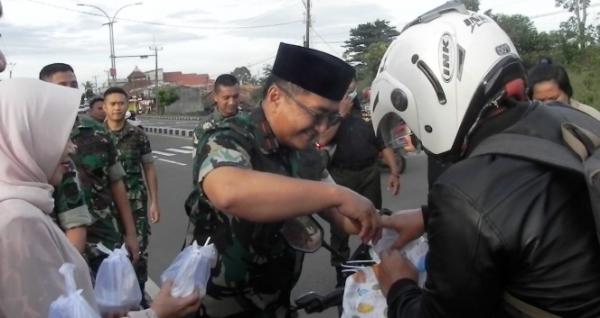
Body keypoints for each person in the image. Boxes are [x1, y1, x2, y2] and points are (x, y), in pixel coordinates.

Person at [369, 2, 600, 317]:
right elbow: (530, 207)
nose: (417, 137)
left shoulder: (462, 191)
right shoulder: (570, 120)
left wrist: (399, 286)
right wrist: (428, 216)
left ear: (430, 94)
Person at [185, 42, 379, 317]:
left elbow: (344, 217)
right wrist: (338, 195)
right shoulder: (228, 136)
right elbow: (229, 191)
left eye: (331, 117)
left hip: (276, 302)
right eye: (316, 114)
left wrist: (390, 223)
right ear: (275, 96)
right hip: (216, 305)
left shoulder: (305, 152)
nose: (323, 128)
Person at [0, 78, 200, 318]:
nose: (72, 148)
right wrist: (155, 313)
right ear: (25, 138)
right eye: (60, 137)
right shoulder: (19, 222)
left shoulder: (21, 206)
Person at [40, 63, 140, 274]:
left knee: (118, 303)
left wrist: (130, 233)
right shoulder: (35, 136)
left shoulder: (95, 131)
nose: (70, 90)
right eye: (62, 85)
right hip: (59, 245)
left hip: (103, 239)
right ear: (45, 91)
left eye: (74, 84)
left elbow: (116, 182)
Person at [318, 79, 401, 286]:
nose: (349, 89)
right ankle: (342, 271)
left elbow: (382, 144)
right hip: (341, 177)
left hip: (369, 174)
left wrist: (394, 171)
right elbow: (321, 140)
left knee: (375, 219)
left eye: (351, 83)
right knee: (340, 228)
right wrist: (341, 114)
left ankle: (376, 264)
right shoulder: (330, 115)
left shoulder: (366, 114)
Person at [103, 86, 160, 306]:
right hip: (105, 206)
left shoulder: (138, 135)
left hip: (135, 204)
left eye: (121, 103)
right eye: (113, 104)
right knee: (109, 254)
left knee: (138, 252)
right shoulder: (96, 137)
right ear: (105, 107)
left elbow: (149, 168)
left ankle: (138, 298)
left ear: (127, 105)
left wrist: (155, 201)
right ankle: (112, 301)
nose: (117, 107)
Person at [528, 62, 600, 120]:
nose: (548, 105)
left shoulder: (590, 117)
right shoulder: (527, 121)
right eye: (541, 100)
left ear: (568, 93)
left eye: (553, 98)